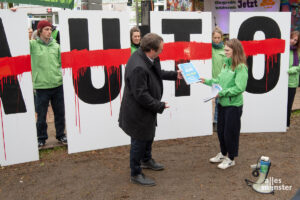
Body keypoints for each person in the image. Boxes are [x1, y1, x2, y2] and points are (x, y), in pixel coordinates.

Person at [119, 33, 182, 186]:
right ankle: (135, 172)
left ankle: (146, 160)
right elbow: (141, 95)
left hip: (147, 109)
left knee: (149, 134)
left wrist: (176, 75)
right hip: (138, 111)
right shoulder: (138, 67)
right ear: (152, 50)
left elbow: (157, 74)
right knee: (139, 139)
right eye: (160, 49)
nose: (162, 51)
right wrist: (159, 105)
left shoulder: (147, 57)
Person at [200, 39, 248, 169]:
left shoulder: (241, 67)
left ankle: (231, 158)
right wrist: (206, 81)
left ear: (235, 51)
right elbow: (219, 81)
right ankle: (223, 153)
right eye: (225, 49)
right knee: (220, 131)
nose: (224, 52)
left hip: (233, 106)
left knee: (230, 132)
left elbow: (239, 88)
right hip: (222, 103)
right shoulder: (226, 64)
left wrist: (222, 93)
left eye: (227, 50)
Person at [30, 20, 67, 148]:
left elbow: (62, 63)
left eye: (50, 29)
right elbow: (18, 45)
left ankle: (61, 135)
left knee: (60, 113)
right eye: (46, 29)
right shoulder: (33, 45)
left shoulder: (56, 46)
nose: (49, 31)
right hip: (41, 87)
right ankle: (41, 138)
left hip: (57, 85)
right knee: (41, 115)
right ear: (39, 31)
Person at [211, 27, 226, 132]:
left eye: (218, 37)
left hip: (220, 81)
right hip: (209, 80)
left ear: (221, 38)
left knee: (218, 102)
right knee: (209, 102)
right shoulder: (208, 48)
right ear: (211, 37)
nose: (216, 40)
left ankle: (216, 122)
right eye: (215, 37)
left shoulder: (225, 50)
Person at [287, 31, 300, 129]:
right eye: (292, 38)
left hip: (292, 81)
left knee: (289, 103)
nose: (293, 41)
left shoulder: (298, 51)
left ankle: (286, 123)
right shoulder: (284, 49)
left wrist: (293, 69)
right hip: (281, 81)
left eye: (296, 40)